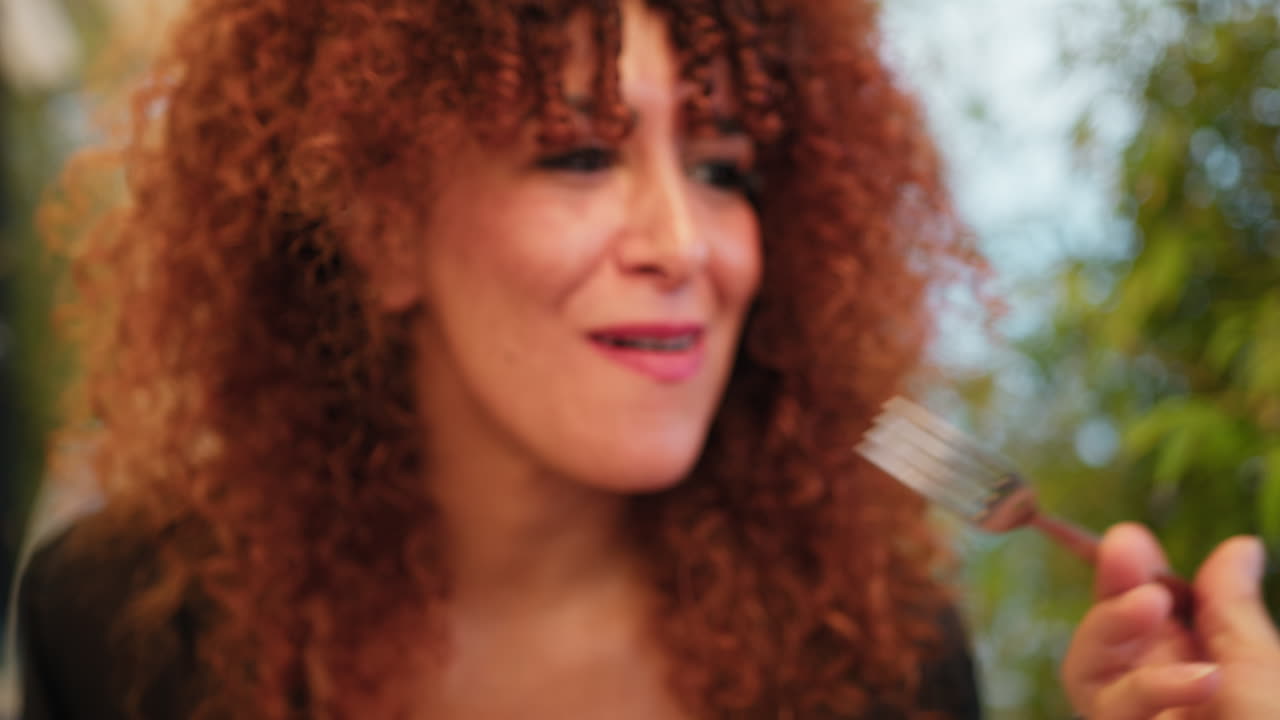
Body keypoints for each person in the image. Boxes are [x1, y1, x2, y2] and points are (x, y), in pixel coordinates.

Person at [11, 1, 1279, 720]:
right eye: (577, 154)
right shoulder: (121, 624)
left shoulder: (878, 663)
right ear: (383, 225)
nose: (686, 244)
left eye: (722, 168)